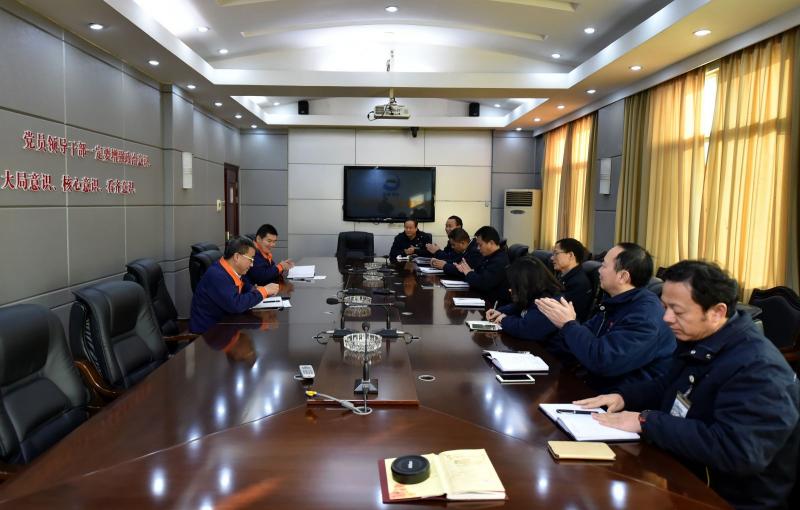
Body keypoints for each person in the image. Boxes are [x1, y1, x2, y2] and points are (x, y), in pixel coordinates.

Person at [575, 260, 800, 510]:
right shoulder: (701, 337)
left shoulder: (759, 369)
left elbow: (737, 451)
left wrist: (646, 421)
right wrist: (622, 397)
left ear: (717, 312)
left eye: (677, 311)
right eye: (665, 307)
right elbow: (669, 386)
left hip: (728, 497)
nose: (666, 318)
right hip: (684, 471)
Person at [536, 242, 675, 390]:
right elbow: (582, 340)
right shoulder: (615, 302)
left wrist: (568, 324)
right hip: (592, 384)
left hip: (619, 397)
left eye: (603, 266)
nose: (599, 271)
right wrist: (537, 358)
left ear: (623, 276)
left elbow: (603, 361)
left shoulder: (645, 315)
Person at [189, 237, 279, 334]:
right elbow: (236, 305)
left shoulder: (230, 269)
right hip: (209, 333)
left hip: (225, 324)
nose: (252, 264)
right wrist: (264, 291)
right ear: (236, 257)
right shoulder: (217, 275)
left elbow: (243, 284)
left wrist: (254, 289)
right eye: (251, 259)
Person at [485, 256, 562, 342]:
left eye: (516, 286)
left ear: (526, 283)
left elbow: (526, 329)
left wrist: (504, 320)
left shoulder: (549, 303)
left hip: (545, 349)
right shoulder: (536, 292)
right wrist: (501, 311)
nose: (510, 289)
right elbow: (521, 305)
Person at [454, 226, 510, 305]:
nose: (478, 248)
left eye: (480, 245)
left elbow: (483, 284)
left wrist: (468, 273)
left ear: (491, 243)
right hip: (483, 298)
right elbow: (479, 274)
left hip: (493, 305)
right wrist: (467, 270)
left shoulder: (499, 261)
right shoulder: (489, 256)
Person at [551, 238, 594, 322]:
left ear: (570, 255)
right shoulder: (563, 275)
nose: (552, 258)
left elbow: (556, 308)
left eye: (556, 253)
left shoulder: (578, 283)